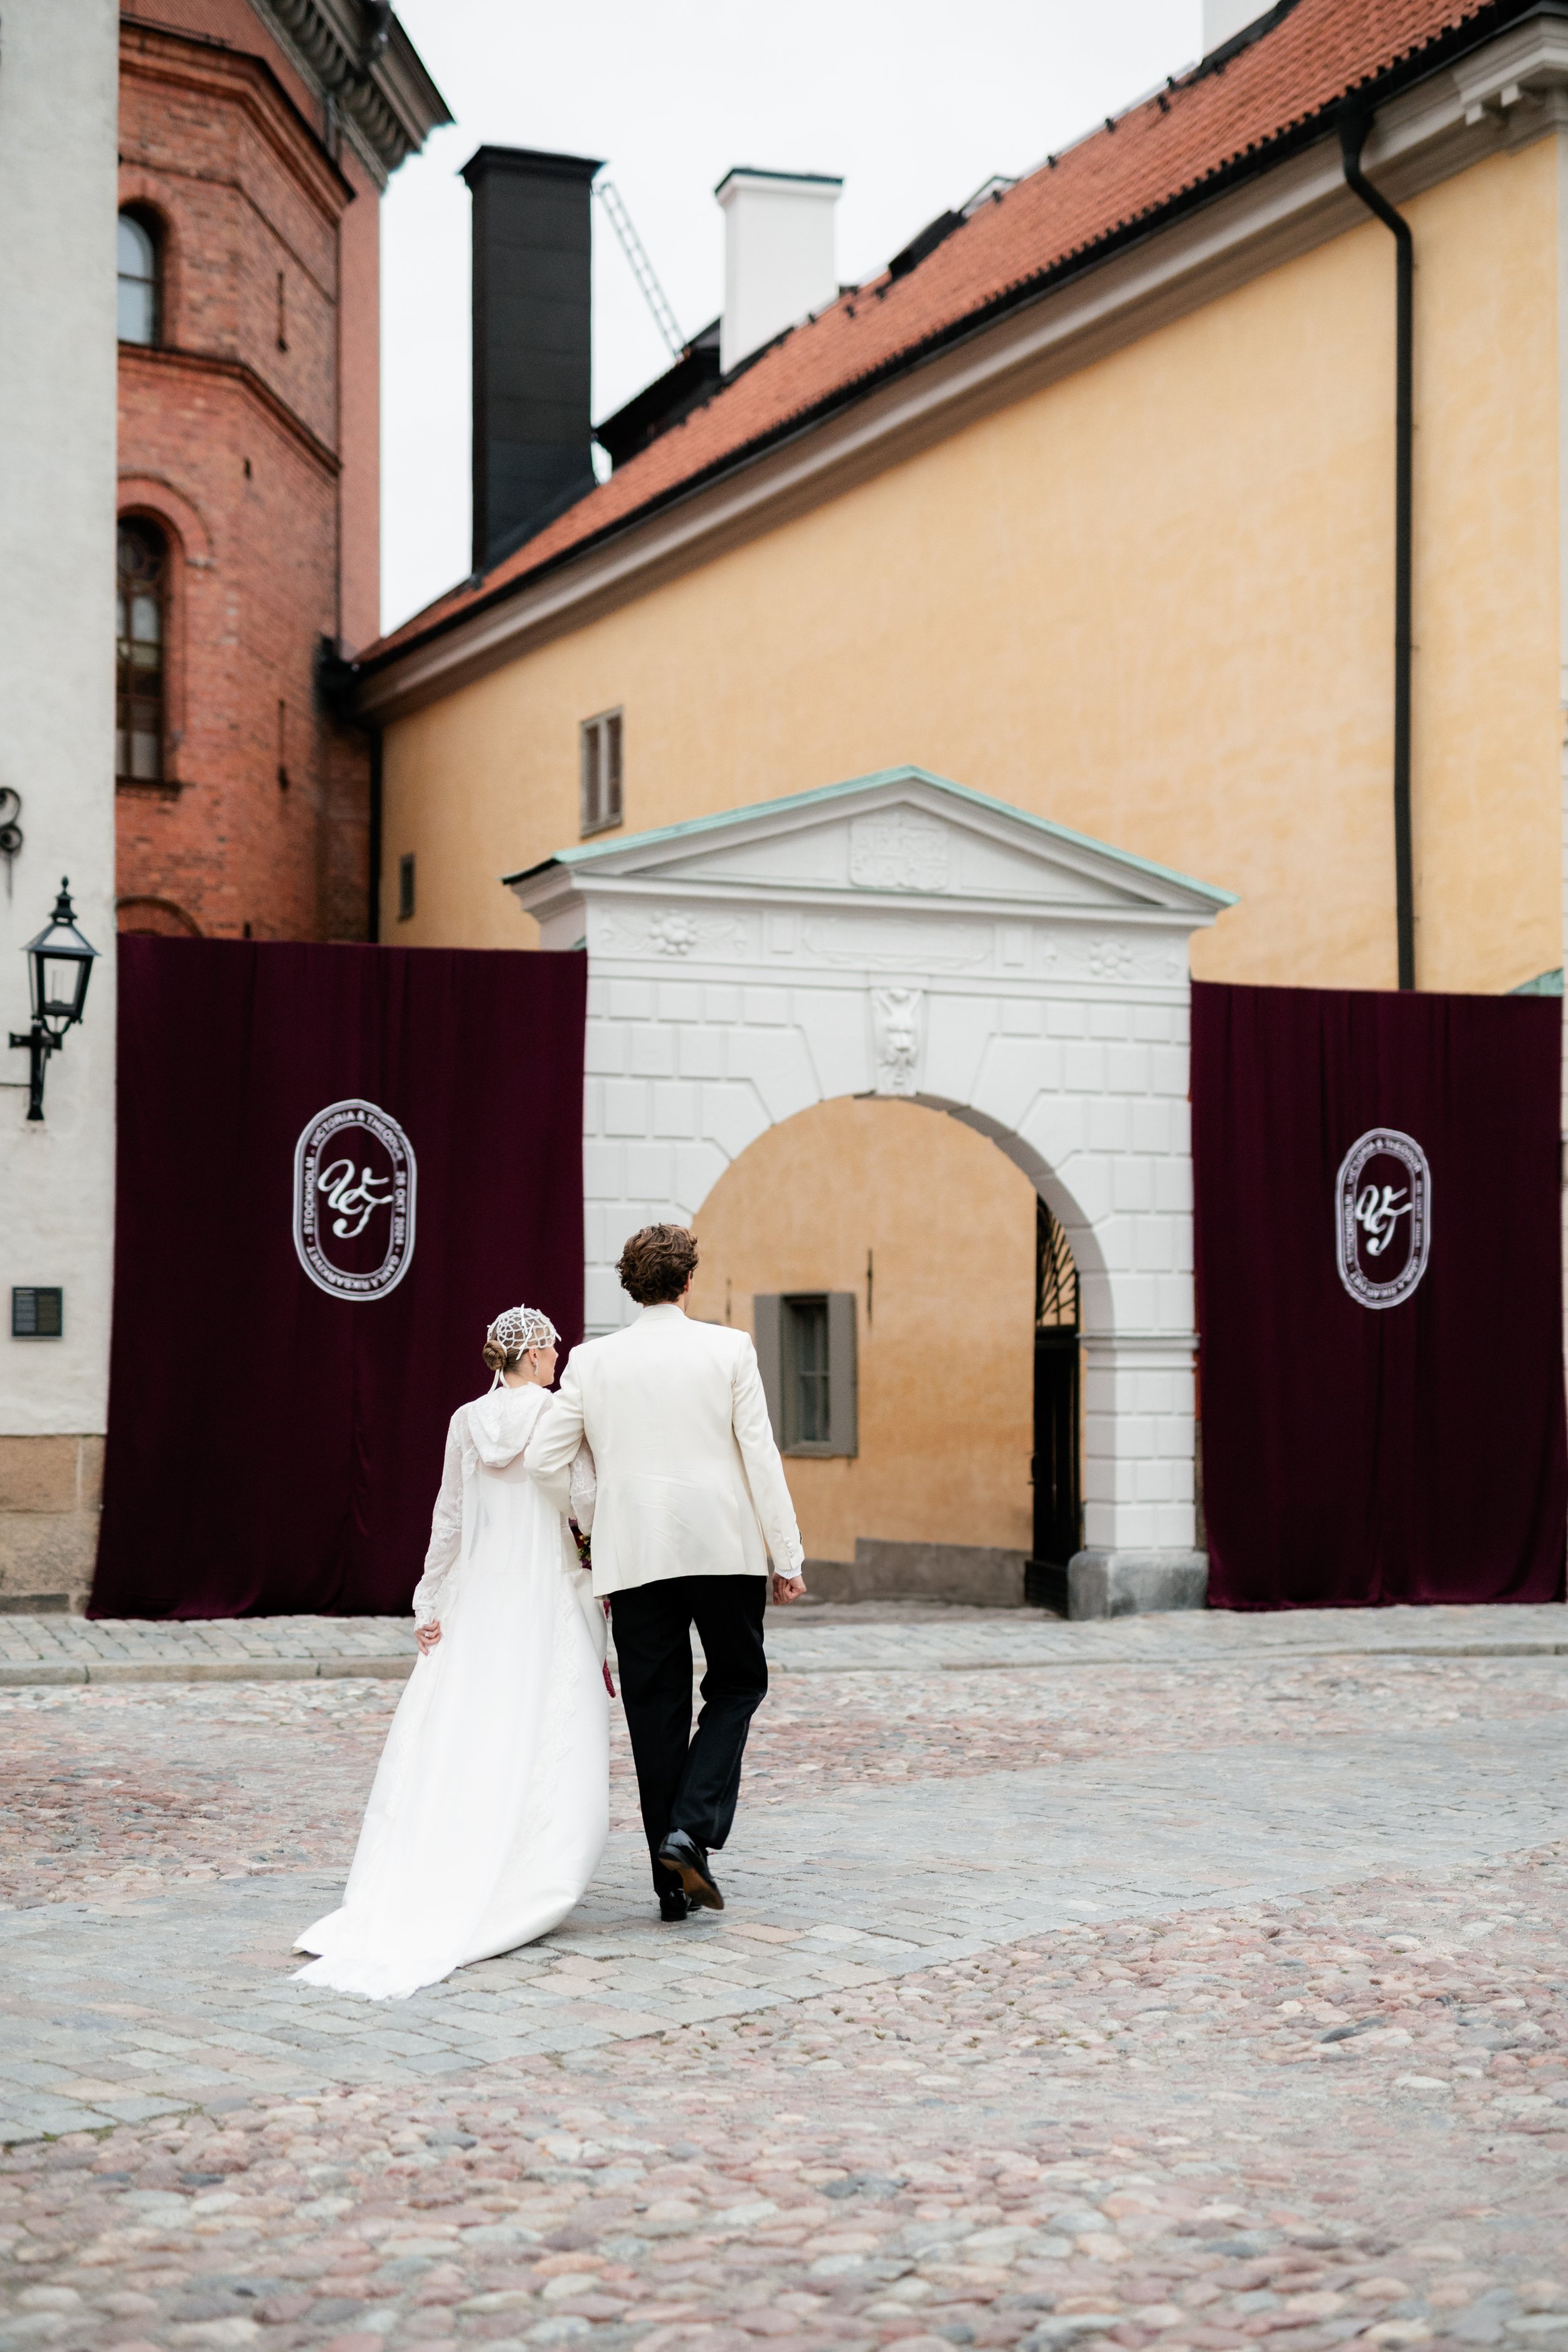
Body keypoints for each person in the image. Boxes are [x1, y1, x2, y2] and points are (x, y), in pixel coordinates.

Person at [292, 1306, 608, 2001]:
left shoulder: (467, 1420)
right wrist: (602, 1565)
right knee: (543, 1721)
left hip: (481, 1596)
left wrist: (431, 1598)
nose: (558, 1356)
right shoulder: (559, 1416)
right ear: (529, 1358)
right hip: (544, 1593)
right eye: (551, 1347)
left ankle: (443, 1846)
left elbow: (450, 1515)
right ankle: (527, 1868)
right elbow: (583, 1501)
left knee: (469, 1721)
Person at [527, 1225, 805, 1923]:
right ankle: (691, 1831)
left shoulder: (592, 1364)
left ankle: (671, 1882)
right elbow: (759, 1455)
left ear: (632, 1285)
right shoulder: (729, 1349)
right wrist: (787, 1554)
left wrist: (596, 1518)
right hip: (725, 1547)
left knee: (655, 1710)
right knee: (739, 1683)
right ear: (688, 1282)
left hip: (636, 1556)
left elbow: (543, 1462)